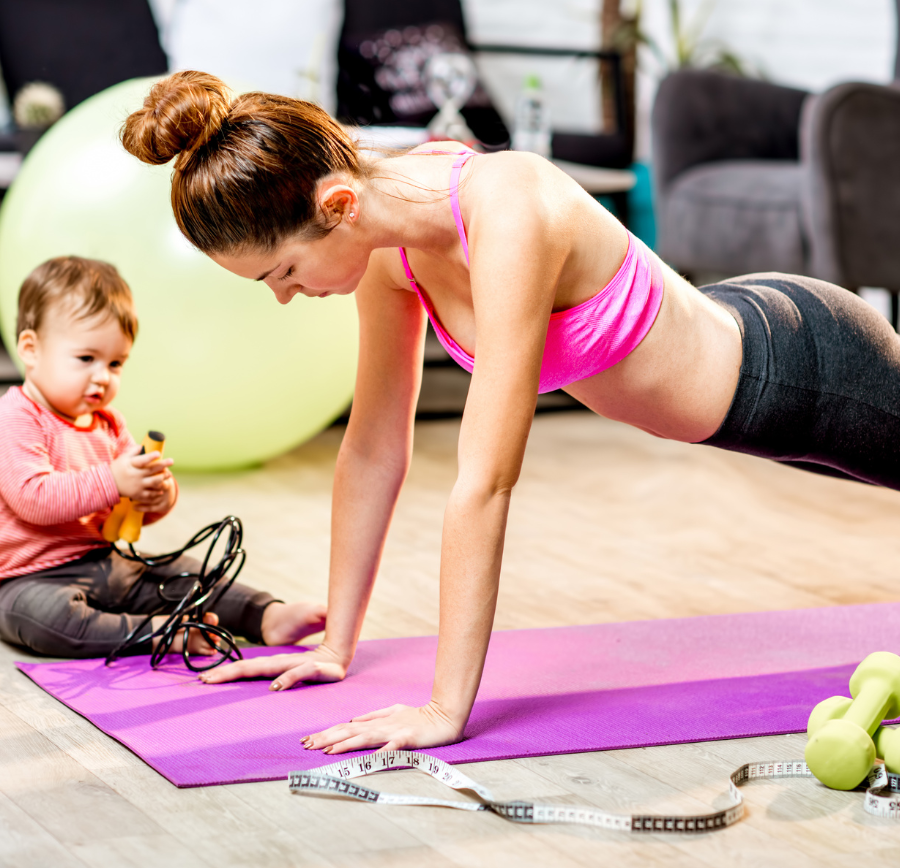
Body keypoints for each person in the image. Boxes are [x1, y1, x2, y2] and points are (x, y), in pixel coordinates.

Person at [121, 70, 900, 753]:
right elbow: (372, 447)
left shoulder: (510, 209)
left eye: (282, 271)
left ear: (339, 202)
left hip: (802, 369)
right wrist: (337, 643)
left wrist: (444, 708)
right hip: (741, 369)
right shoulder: (385, 251)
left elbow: (485, 481)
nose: (287, 296)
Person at [0, 255, 327, 659]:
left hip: (106, 560)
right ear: (31, 350)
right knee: (42, 620)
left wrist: (154, 495)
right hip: (29, 580)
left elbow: (130, 512)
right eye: (86, 359)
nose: (103, 376)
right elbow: (33, 499)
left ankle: (264, 615)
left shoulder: (108, 422)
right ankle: (159, 633)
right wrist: (114, 480)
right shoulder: (16, 418)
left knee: (183, 572)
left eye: (115, 362)